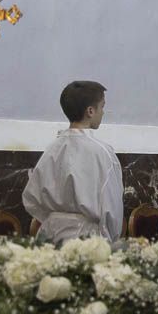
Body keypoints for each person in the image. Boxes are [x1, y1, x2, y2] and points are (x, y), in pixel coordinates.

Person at [22, 81, 123, 244]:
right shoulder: (102, 153)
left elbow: (32, 198)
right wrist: (107, 241)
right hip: (86, 239)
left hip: (50, 235)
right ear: (90, 111)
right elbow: (112, 209)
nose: (103, 113)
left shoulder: (52, 149)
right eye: (102, 107)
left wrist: (56, 220)